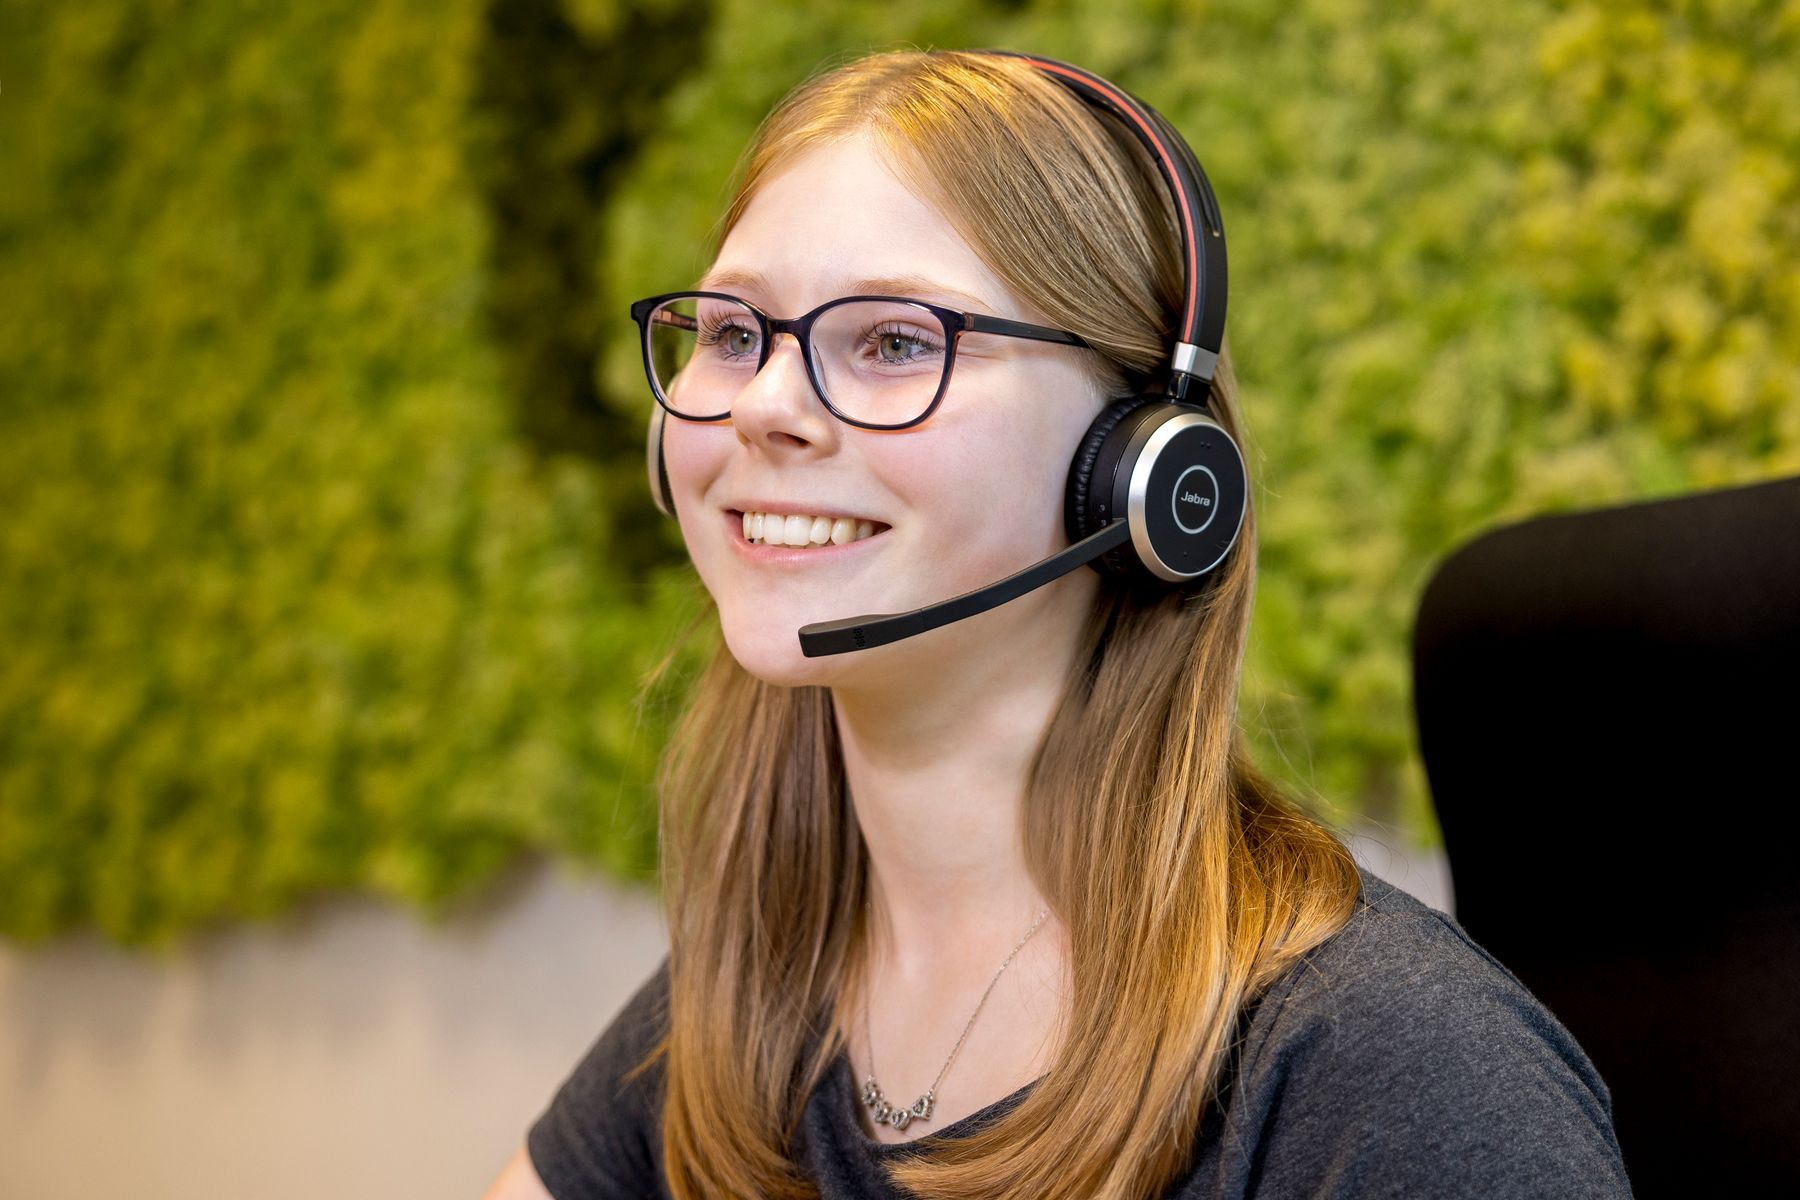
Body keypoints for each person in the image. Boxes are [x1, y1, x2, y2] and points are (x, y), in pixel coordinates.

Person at [483, 47, 1633, 1200]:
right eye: (734, 336)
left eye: (894, 342)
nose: (764, 406)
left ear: (1140, 468)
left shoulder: (1400, 1078)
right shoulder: (747, 1010)